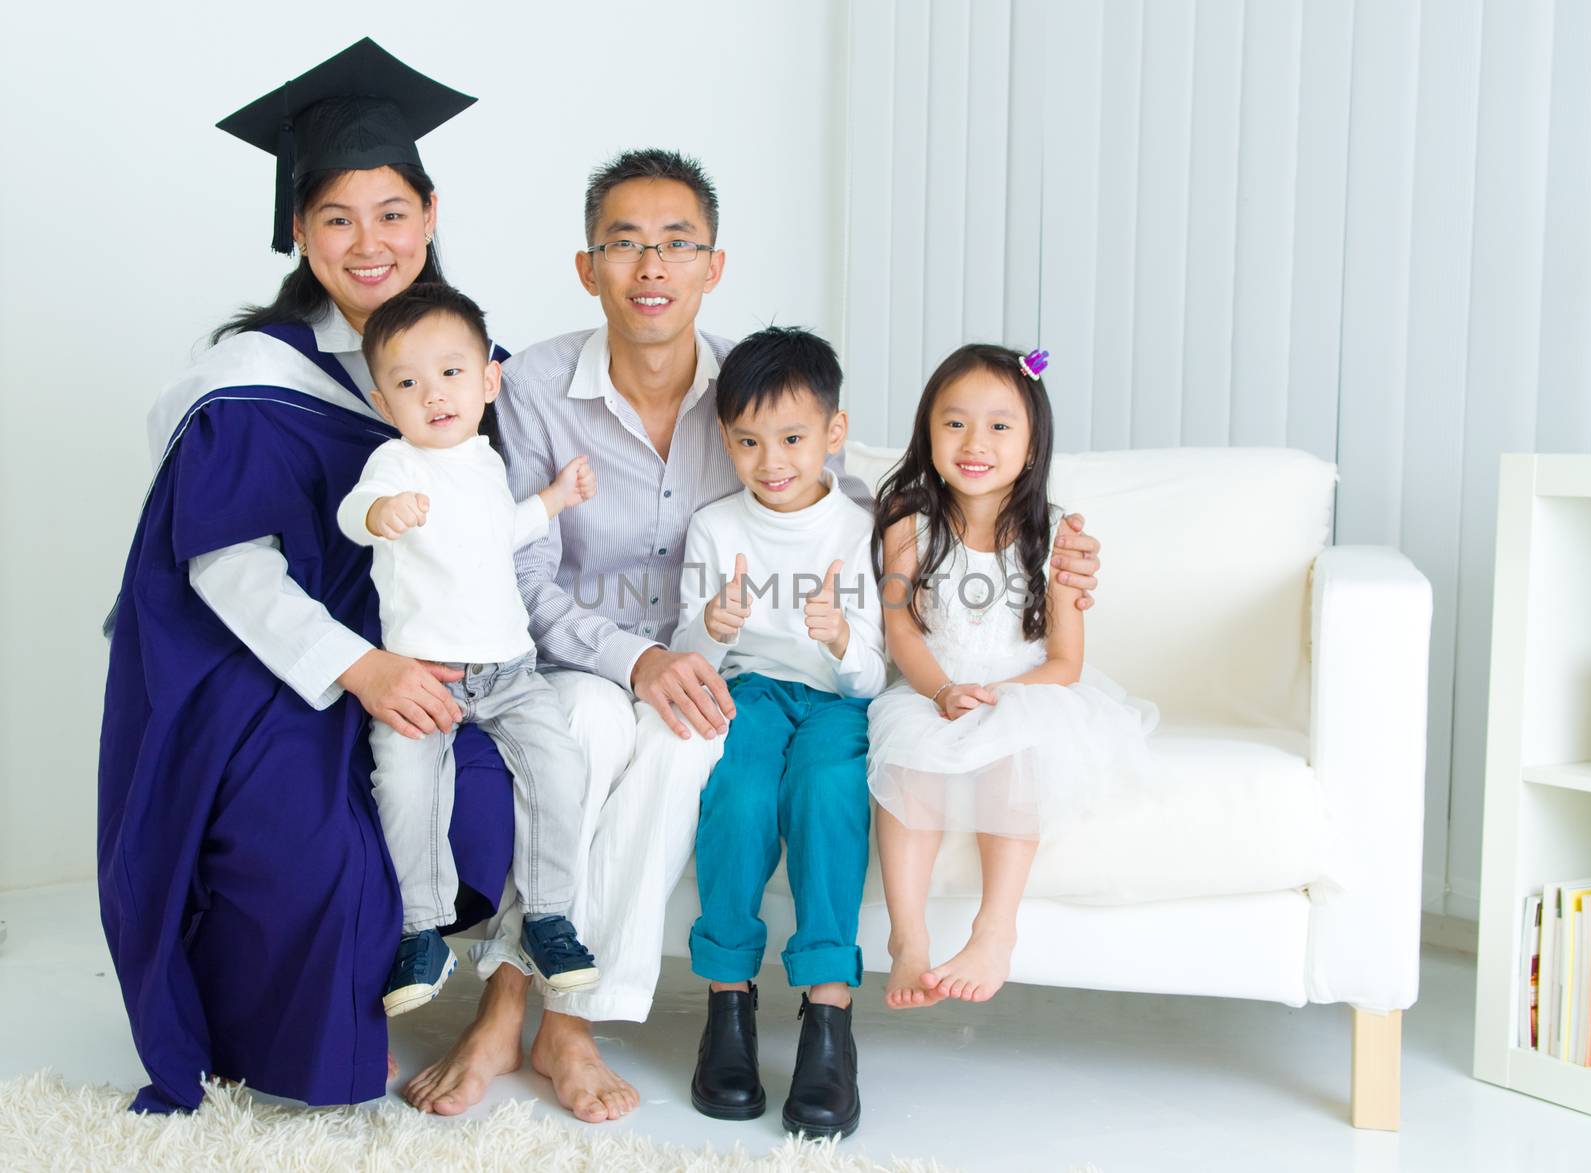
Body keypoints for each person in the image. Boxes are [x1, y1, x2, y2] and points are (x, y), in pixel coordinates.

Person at [403, 149, 1108, 1123]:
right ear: (587, 265)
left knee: (682, 758)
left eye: (676, 244)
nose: (651, 267)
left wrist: (1032, 539)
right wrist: (639, 658)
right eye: (625, 244)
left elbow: (850, 504)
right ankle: (509, 1006)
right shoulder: (530, 389)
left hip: (717, 678)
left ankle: (574, 1022)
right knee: (593, 733)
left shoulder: (754, 386)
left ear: (712, 265)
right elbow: (516, 568)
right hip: (583, 657)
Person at [98, 40, 522, 1112]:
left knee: (485, 783)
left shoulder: (462, 363)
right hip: (276, 663)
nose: (367, 243)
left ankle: (452, 984)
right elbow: (230, 571)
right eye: (336, 217)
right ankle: (285, 1038)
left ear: (430, 214)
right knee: (309, 829)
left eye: (391, 213)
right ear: (297, 229)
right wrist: (362, 669)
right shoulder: (254, 374)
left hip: (435, 651)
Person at [336, 283, 601, 1017]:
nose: (434, 394)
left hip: (510, 671)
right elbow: (352, 513)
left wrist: (552, 501)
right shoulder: (397, 463)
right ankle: (422, 928)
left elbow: (501, 534)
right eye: (408, 382)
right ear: (384, 401)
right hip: (427, 677)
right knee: (406, 785)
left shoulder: (485, 461)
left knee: (559, 763)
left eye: (452, 373)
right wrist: (380, 512)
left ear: (489, 380)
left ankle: (548, 915)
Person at [868, 344, 1159, 1010]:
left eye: (1000, 425)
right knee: (906, 751)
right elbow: (902, 629)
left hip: (1026, 688)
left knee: (1014, 742)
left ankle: (994, 930)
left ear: (1032, 446)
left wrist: (998, 698)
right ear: (928, 432)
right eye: (955, 422)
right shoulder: (908, 523)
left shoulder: (1055, 535)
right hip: (932, 684)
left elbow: (1064, 663)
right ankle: (907, 938)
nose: (976, 441)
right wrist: (942, 690)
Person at [672, 327, 883, 1139]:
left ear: (834, 432)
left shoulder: (860, 529)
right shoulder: (717, 526)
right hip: (748, 691)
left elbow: (870, 676)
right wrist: (713, 627)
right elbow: (694, 657)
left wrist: (837, 637)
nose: (772, 461)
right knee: (740, 790)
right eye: (749, 441)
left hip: (835, 700)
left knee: (828, 789)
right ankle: (728, 1005)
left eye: (793, 438)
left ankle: (829, 1021)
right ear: (725, 439)